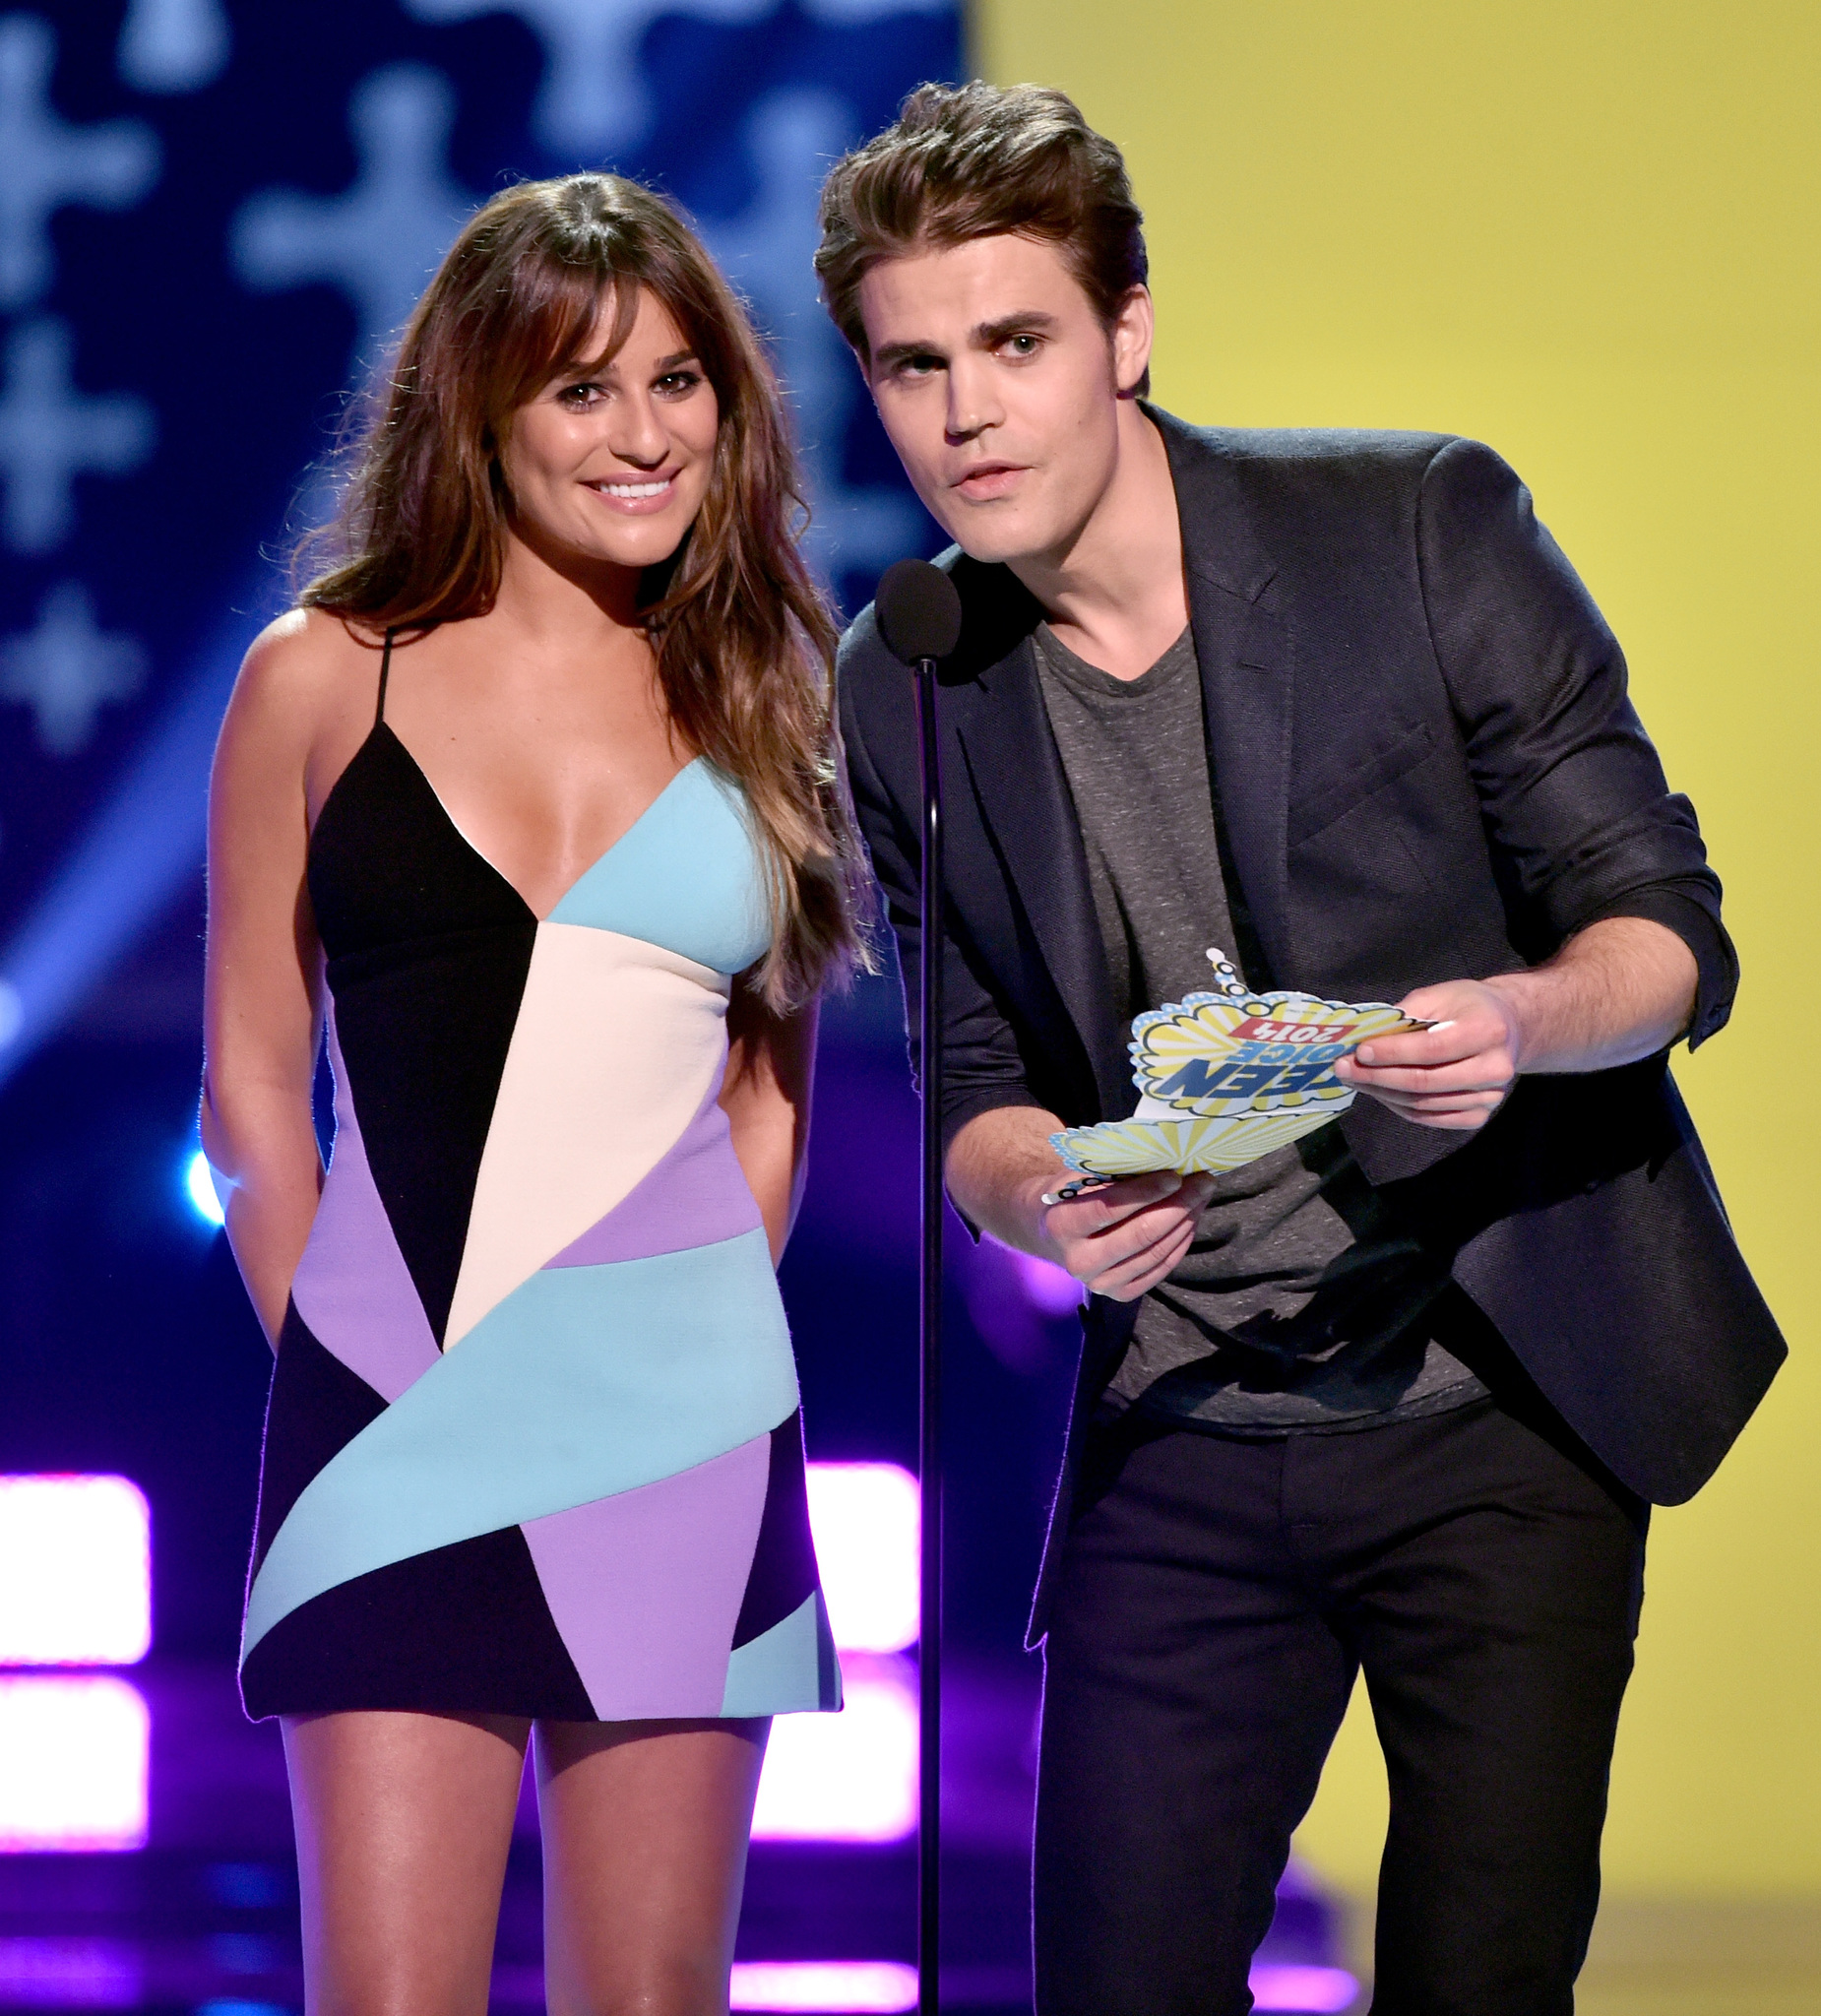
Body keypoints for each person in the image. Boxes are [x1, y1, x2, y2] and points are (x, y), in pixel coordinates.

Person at [819, 83, 1785, 2015]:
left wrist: (1519, 1020)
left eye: (1014, 343)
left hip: (1495, 1396)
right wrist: (1038, 1197)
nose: (965, 412)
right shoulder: (903, 672)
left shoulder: (1417, 527)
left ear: (1129, 332)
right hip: (1182, 1433)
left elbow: (1667, 930)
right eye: (912, 365)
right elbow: (970, 1065)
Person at [203, 173, 860, 2016]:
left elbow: (767, 1095)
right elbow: (252, 1084)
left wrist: (677, 1344)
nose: (643, 435)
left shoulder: (765, 697)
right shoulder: (322, 677)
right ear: (481, 412)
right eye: (582, 390)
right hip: (389, 1418)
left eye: (679, 382)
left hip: (682, 1422)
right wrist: (351, 1369)